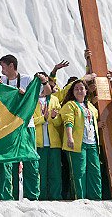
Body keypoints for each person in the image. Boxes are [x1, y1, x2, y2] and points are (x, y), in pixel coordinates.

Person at [0, 54, 48, 201]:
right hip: (9, 128)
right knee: (10, 162)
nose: (1, 70)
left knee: (30, 161)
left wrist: (44, 82)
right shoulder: (2, 81)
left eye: (3, 66)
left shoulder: (27, 80)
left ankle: (32, 196)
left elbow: (46, 92)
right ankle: (11, 197)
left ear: (11, 65)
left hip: (27, 126)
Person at [60, 79, 102, 200]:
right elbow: (68, 122)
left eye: (81, 88)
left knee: (95, 171)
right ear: (72, 92)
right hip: (79, 143)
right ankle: (80, 198)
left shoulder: (90, 107)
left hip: (92, 142)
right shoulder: (70, 105)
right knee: (79, 172)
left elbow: (93, 120)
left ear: (86, 91)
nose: (79, 90)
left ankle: (95, 198)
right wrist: (70, 137)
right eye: (76, 89)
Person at [35, 71, 63, 200]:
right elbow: (29, 121)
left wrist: (53, 117)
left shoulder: (54, 99)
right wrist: (43, 118)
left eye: (45, 82)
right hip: (38, 142)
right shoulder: (32, 99)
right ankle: (41, 197)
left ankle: (55, 197)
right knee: (40, 172)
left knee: (55, 173)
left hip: (54, 142)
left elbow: (58, 123)